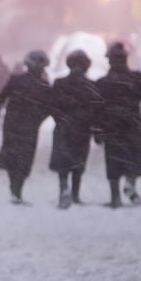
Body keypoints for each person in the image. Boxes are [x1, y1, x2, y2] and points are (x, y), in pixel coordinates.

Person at [93, 42, 141, 207]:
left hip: (111, 128)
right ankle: (130, 185)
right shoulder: (136, 78)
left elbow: (97, 110)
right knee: (133, 159)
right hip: (132, 125)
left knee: (113, 161)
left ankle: (115, 196)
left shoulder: (102, 82)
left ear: (109, 61)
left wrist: (97, 131)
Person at [0, 50, 52, 204]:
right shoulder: (44, 86)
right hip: (29, 127)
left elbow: (1, 98)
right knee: (24, 158)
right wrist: (37, 119)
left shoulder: (16, 80)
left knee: (12, 156)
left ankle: (14, 188)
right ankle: (17, 189)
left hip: (12, 124)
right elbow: (50, 108)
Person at [49, 50, 101, 208]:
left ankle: (64, 188)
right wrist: (95, 128)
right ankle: (75, 194)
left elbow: (52, 105)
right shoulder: (91, 85)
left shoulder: (59, 83)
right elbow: (96, 109)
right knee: (79, 161)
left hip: (64, 128)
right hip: (82, 129)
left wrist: (61, 119)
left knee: (63, 160)